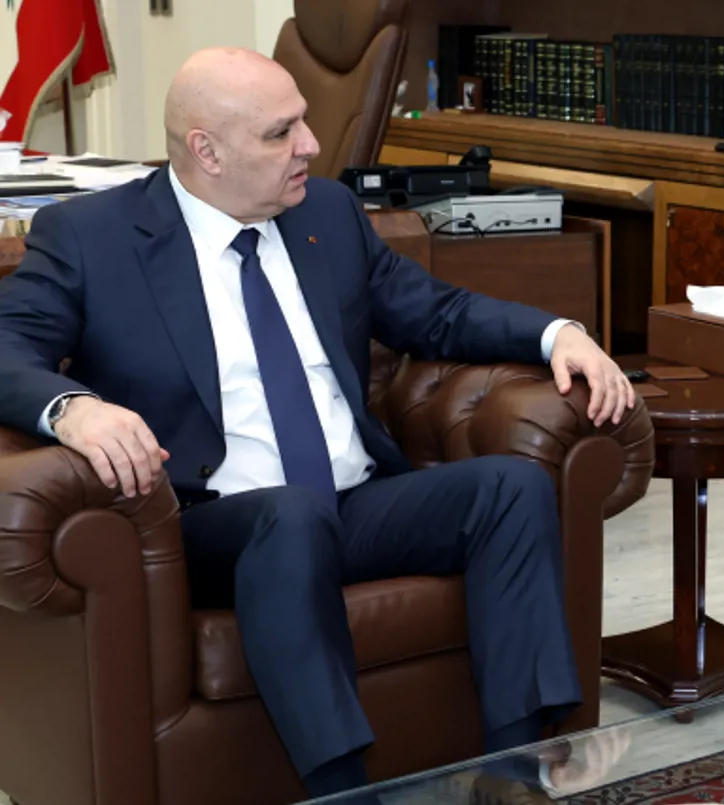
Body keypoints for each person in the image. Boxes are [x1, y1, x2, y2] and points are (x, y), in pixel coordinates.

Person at [0, 47, 635, 798]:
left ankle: (513, 772)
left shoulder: (326, 213)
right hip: (209, 522)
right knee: (290, 516)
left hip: (352, 502)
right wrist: (72, 408)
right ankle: (343, 789)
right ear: (207, 151)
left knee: (510, 488)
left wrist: (556, 334)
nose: (309, 144)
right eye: (281, 133)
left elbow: (436, 312)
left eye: (303, 121)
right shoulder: (93, 236)